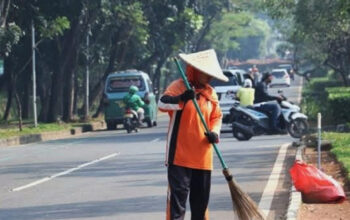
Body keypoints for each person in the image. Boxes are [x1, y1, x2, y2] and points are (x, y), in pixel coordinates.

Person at [158, 49, 227, 220]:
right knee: (177, 206)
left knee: (200, 205)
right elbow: (162, 104)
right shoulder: (178, 86)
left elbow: (217, 117)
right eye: (206, 73)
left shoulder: (211, 93)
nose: (210, 78)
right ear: (195, 70)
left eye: (211, 75)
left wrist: (215, 133)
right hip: (179, 157)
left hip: (203, 158)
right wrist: (182, 98)